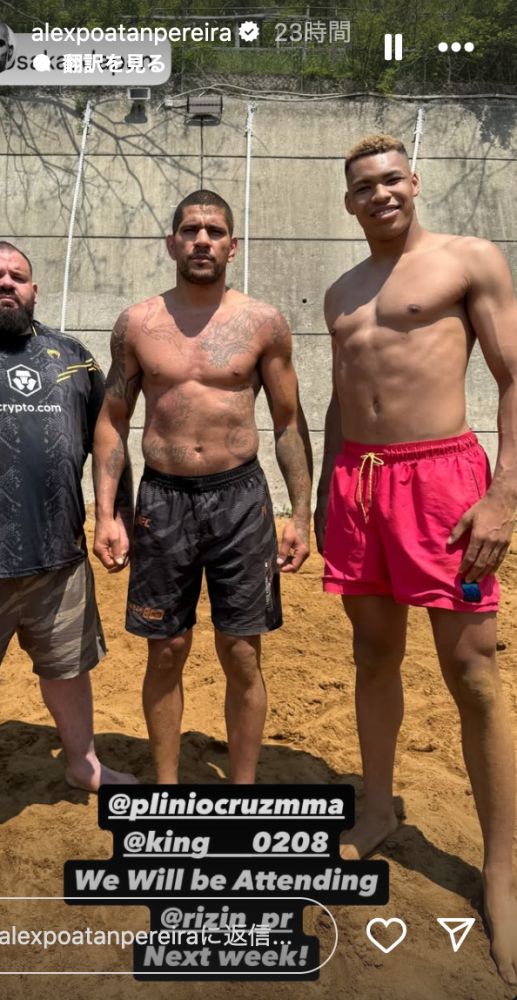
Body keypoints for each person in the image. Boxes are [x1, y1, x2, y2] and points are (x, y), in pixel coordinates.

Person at [314, 134, 517, 986]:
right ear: (350, 202)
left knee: (474, 672)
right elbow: (340, 395)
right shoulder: (342, 291)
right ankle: (377, 807)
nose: (381, 194)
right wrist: (323, 494)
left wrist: (503, 496)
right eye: (365, 186)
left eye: (392, 179)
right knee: (372, 655)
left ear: (415, 182)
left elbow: (514, 377)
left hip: (442, 485)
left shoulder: (468, 259)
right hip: (358, 487)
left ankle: (502, 867)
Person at [93, 190, 313, 786]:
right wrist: (107, 513)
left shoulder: (263, 322)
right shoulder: (138, 323)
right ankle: (167, 788)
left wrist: (301, 514)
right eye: (190, 230)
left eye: (214, 231)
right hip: (163, 501)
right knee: (166, 649)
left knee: (241, 650)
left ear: (232, 246)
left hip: (240, 500)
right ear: (172, 243)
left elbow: (288, 422)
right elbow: (113, 420)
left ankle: (241, 791)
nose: (202, 240)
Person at [0, 241, 137, 876]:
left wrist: (114, 515)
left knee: (68, 668)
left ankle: (83, 764)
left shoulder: (71, 357)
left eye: (18, 276)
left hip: (58, 559)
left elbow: (107, 436)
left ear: (34, 290)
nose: (6, 284)